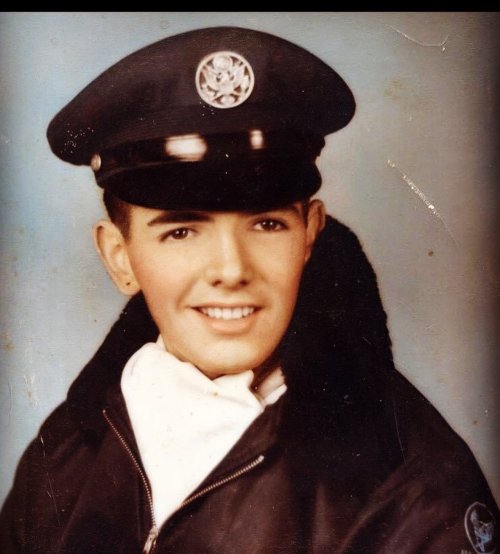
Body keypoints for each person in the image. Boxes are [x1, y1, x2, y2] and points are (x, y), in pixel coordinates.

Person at [0, 26, 497, 554]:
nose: (231, 270)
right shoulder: (67, 448)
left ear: (309, 236)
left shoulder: (411, 493)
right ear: (120, 257)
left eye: (266, 224)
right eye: (181, 232)